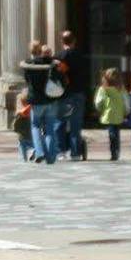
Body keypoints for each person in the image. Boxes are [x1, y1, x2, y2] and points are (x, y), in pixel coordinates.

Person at [19, 40, 62, 164]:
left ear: (31, 51)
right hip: (49, 99)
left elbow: (27, 80)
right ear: (40, 51)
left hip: (36, 100)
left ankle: (39, 152)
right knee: (50, 127)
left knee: (35, 126)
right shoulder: (49, 62)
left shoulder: (28, 64)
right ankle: (51, 156)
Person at [55, 29, 90, 161]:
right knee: (76, 124)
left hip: (63, 94)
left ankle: (61, 151)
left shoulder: (59, 56)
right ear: (74, 41)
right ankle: (75, 153)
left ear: (62, 41)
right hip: (78, 92)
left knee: (60, 122)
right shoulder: (80, 56)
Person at [94, 67, 130, 161]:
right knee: (116, 133)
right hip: (118, 115)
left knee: (112, 133)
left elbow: (99, 102)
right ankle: (117, 150)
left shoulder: (103, 89)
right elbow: (126, 101)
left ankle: (113, 152)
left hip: (108, 114)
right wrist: (126, 111)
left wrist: (100, 110)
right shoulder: (121, 89)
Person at [12, 92, 35, 162]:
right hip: (31, 134)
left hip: (21, 135)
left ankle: (24, 158)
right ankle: (34, 150)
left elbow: (15, 124)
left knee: (22, 146)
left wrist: (15, 130)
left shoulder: (19, 113)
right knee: (32, 143)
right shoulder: (32, 110)